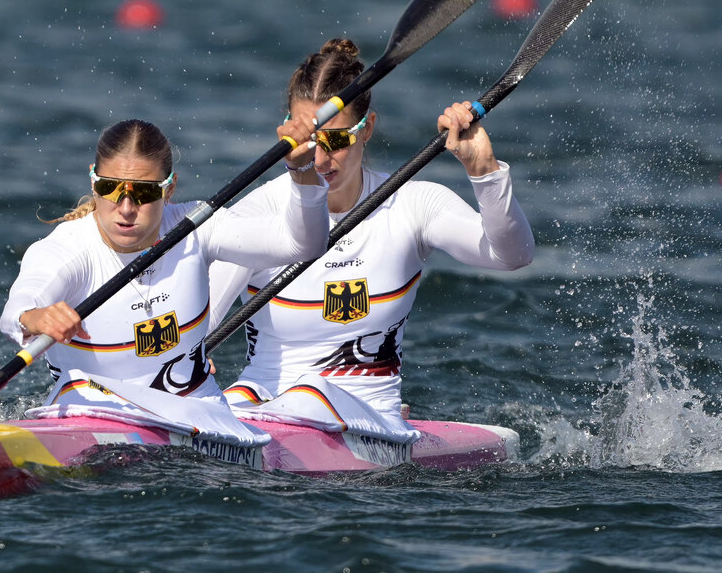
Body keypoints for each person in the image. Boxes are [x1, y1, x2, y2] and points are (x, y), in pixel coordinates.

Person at [208, 39, 535, 423]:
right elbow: (196, 323)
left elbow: (512, 256)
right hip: (257, 398)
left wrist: (483, 169)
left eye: (335, 139)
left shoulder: (412, 204)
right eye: (307, 140)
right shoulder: (258, 211)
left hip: (368, 410)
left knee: (308, 395)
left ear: (367, 129)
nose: (318, 158)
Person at [0, 118, 329, 404]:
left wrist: (301, 170)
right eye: (111, 188)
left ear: (169, 189)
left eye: (143, 192)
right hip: (91, 419)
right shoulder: (69, 248)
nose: (127, 207)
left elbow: (303, 244)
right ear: (93, 181)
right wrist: (35, 316)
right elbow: (18, 308)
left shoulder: (196, 226)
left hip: (198, 418)